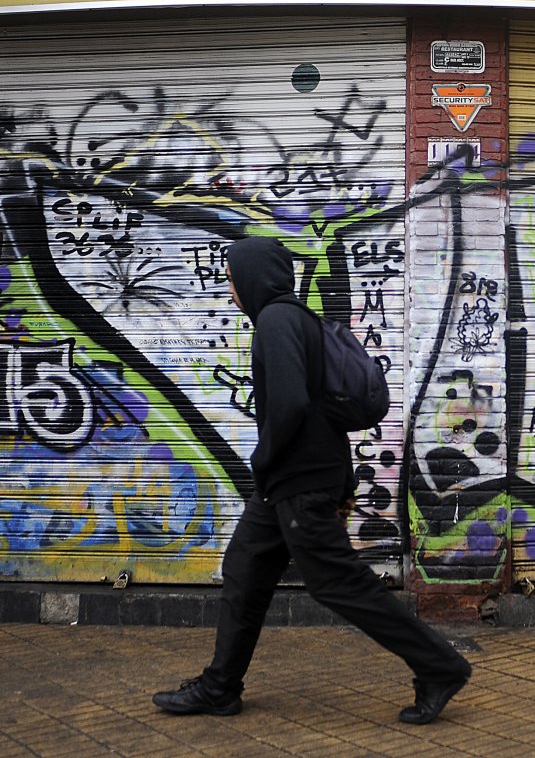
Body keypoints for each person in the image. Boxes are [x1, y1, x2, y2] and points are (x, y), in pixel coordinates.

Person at [153, 236, 471, 724]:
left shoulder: (276, 320)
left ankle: (439, 666)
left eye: (233, 279)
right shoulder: (297, 318)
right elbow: (310, 404)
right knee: (244, 570)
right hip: (292, 479)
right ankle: (220, 687)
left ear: (254, 278)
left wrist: (262, 460)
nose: (231, 290)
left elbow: (290, 405)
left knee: (336, 582)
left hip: (299, 479)